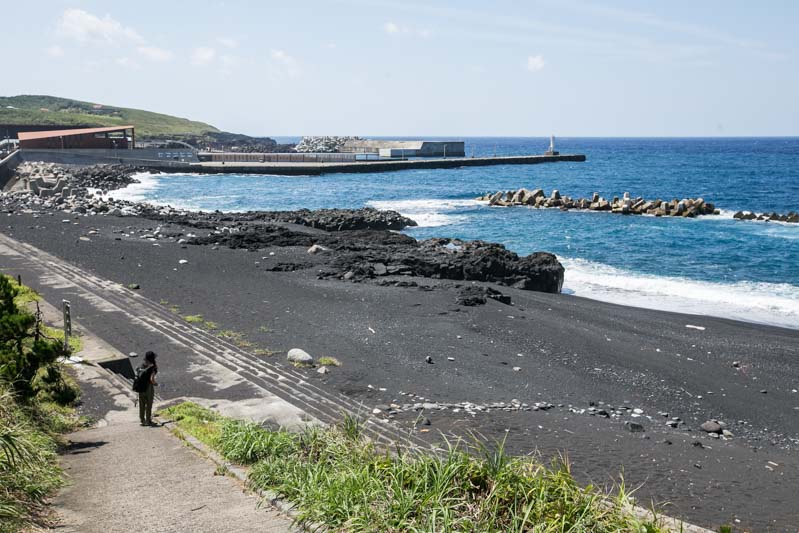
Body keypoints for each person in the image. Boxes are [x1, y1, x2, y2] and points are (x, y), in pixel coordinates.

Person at [137, 351, 158, 426]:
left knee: (142, 403)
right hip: (148, 388)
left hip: (141, 387)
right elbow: (151, 379)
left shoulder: (142, 365)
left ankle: (142, 420)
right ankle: (148, 420)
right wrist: (155, 383)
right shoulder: (153, 367)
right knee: (148, 404)